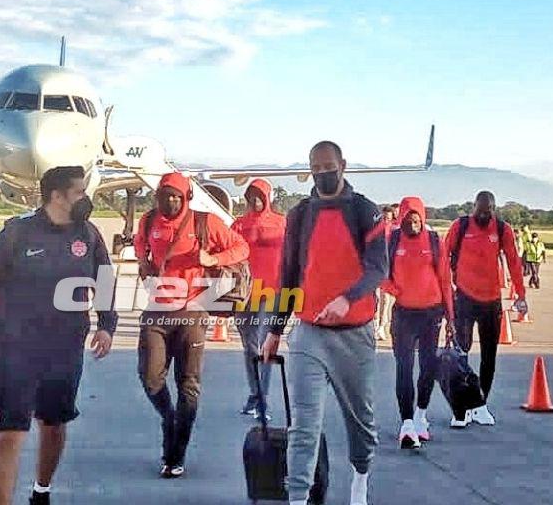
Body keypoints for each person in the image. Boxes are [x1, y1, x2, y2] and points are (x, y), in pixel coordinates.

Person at [0, 166, 117, 505]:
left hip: (65, 349)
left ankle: (41, 491)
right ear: (57, 196)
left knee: (55, 424)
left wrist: (107, 324)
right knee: (10, 431)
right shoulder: (17, 234)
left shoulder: (88, 235)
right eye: (79, 192)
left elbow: (104, 279)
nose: (85, 199)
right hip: (14, 349)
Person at [262, 141, 387, 505]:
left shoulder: (365, 212)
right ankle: (298, 497)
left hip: (355, 336)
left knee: (360, 422)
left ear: (343, 166)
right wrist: (273, 330)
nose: (322, 174)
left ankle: (360, 480)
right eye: (315, 169)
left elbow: (378, 268)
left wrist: (348, 299)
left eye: (328, 167)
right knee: (304, 424)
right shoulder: (300, 215)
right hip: (309, 335)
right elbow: (288, 274)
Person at [134, 171, 249, 479]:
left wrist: (212, 260)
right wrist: (143, 263)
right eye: (164, 195)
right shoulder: (148, 221)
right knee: (150, 378)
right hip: (157, 310)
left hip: (193, 312)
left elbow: (241, 248)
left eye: (176, 196)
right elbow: (140, 244)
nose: (170, 201)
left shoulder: (205, 223)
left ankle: (175, 455)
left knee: (188, 384)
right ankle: (168, 418)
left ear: (186, 197)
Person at [446, 191, 526, 428]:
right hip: (464, 298)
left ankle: (481, 405)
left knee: (489, 356)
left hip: (491, 301)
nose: (484, 214)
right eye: (480, 210)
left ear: (494, 209)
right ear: (473, 207)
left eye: (489, 210)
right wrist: (444, 291)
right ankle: (461, 408)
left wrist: (521, 293)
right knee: (460, 354)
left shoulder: (502, 230)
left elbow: (514, 261)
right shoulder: (460, 226)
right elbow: (443, 255)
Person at [381, 196, 454, 449]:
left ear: (422, 219)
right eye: (408, 220)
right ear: (400, 219)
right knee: (404, 368)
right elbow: (379, 272)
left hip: (432, 314)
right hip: (404, 315)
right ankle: (407, 423)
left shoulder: (434, 242)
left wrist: (451, 318)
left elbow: (445, 279)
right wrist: (394, 289)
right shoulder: (392, 241)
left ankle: (421, 415)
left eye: (417, 220)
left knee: (428, 366)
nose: (412, 224)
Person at [230, 178, 286, 419]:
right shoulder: (238, 225)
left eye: (260, 196)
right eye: (251, 195)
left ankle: (263, 399)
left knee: (264, 344)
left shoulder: (282, 224)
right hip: (244, 294)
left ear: (268, 198)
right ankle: (255, 393)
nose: (255, 200)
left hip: (271, 292)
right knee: (249, 346)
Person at [374, 204, 399, 341]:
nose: (386, 220)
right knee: (375, 298)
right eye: (384, 218)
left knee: (385, 299)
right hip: (374, 266)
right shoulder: (375, 229)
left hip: (387, 268)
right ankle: (375, 322)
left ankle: (381, 326)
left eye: (388, 218)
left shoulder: (395, 230)